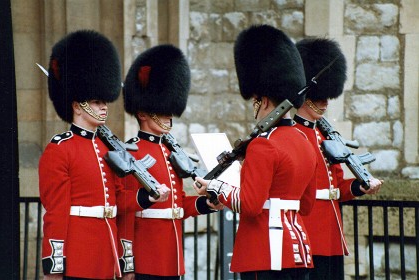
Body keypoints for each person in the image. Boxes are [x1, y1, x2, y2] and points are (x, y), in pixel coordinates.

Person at [38, 30, 169, 280]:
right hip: (78, 257)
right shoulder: (60, 148)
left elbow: (118, 202)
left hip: (108, 257)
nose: (104, 107)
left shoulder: (107, 148)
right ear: (77, 106)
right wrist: (54, 266)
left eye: (105, 101)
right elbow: (55, 213)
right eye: (97, 101)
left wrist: (147, 197)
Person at [194, 24, 318, 280]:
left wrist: (215, 187)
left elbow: (250, 205)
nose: (255, 105)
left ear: (264, 100)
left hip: (265, 252)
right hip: (298, 252)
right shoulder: (306, 141)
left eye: (255, 100)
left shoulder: (263, 144)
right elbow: (306, 205)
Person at [119, 44, 222, 280]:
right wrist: (128, 262)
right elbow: (125, 211)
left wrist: (206, 204)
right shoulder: (131, 152)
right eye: (161, 110)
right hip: (146, 259)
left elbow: (177, 206)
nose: (168, 115)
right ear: (143, 113)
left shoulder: (169, 152)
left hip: (173, 259)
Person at [293, 38, 384, 280]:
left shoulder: (324, 134)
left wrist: (359, 186)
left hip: (332, 234)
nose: (325, 102)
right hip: (307, 230)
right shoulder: (293, 135)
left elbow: (336, 187)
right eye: (319, 96)